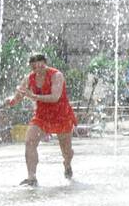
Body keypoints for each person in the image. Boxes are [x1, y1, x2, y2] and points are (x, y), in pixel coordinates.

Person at [6, 52, 77, 186]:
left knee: (66, 150)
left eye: (40, 67)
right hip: (41, 115)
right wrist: (12, 101)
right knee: (30, 141)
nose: (38, 70)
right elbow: (19, 95)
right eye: (34, 68)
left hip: (61, 115)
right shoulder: (29, 78)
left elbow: (55, 97)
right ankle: (31, 177)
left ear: (45, 63)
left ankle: (67, 164)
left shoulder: (57, 75)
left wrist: (34, 97)